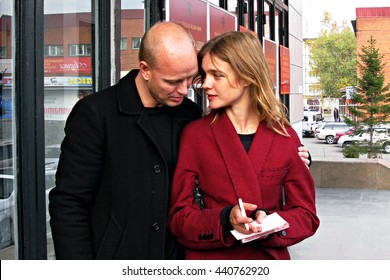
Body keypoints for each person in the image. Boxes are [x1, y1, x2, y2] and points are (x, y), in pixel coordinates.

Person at [49, 22, 311, 260]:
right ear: (145, 70)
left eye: (190, 78)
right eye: (174, 81)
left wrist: (293, 159)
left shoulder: (189, 114)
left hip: (179, 257)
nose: (187, 90)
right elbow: (69, 203)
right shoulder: (96, 113)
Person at [167, 31, 320, 260]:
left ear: (247, 77)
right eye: (205, 75)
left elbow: (306, 216)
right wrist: (224, 219)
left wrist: (266, 223)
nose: (205, 84)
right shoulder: (195, 135)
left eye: (217, 75)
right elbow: (179, 218)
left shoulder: (285, 137)